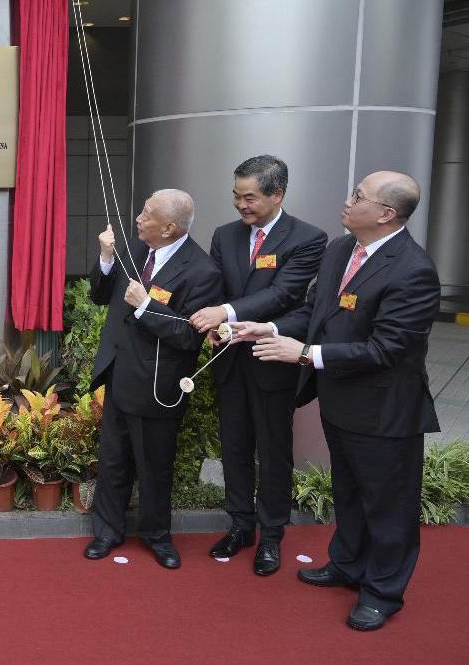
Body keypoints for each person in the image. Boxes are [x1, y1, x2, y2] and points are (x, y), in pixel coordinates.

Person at [232, 171, 440, 631]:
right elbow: (316, 312)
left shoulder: (413, 270)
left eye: (358, 196)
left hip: (386, 412)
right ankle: (347, 564)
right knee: (348, 492)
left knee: (388, 507)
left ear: (387, 214)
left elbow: (387, 349)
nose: (347, 202)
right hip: (341, 402)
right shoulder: (341, 250)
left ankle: (383, 592)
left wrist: (305, 354)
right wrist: (267, 329)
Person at [189, 155, 327, 575]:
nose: (241, 205)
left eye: (250, 197)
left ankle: (271, 535)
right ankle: (240, 526)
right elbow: (210, 286)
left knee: (273, 451)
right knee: (234, 447)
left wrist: (224, 313)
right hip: (229, 360)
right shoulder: (225, 235)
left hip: (272, 361)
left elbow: (284, 294)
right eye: (236, 196)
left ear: (277, 194)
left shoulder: (307, 238)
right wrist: (211, 322)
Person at [83, 189, 223, 569]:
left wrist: (146, 305)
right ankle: (107, 531)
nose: (138, 219)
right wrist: (107, 259)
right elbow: (99, 295)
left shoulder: (202, 271)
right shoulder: (134, 248)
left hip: (158, 385)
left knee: (154, 465)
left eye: (147, 214)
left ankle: (156, 535)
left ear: (170, 228)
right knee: (112, 460)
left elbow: (189, 337)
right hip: (120, 371)